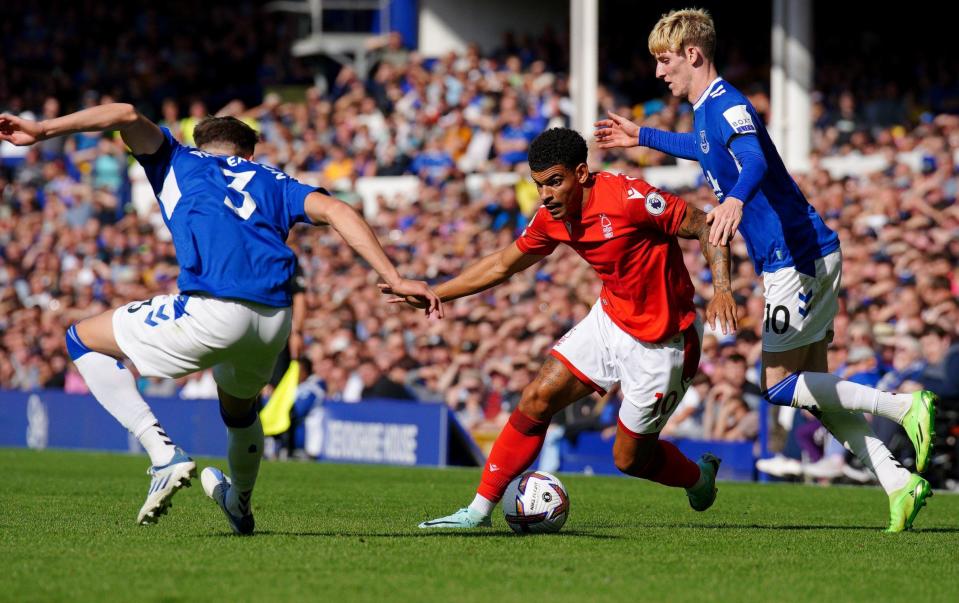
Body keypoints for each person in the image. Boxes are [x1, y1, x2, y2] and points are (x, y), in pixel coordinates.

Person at [0, 104, 441, 534]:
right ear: (249, 153)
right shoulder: (275, 180)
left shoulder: (178, 159)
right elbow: (341, 211)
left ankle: (162, 454)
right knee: (239, 411)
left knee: (80, 338)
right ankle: (239, 504)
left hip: (213, 307)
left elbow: (125, 114)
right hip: (273, 320)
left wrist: (41, 131)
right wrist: (395, 277)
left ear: (200, 142)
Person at [593, 8, 936, 531]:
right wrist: (644, 135)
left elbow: (751, 159)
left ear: (692, 54)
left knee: (777, 385)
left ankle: (903, 406)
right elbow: (702, 150)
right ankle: (897, 481)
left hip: (794, 258)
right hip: (805, 254)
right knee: (816, 390)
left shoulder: (729, 104)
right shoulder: (704, 111)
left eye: (664, 61)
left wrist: (732, 201)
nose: (659, 72)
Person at [384, 127, 737, 528]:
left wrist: (722, 289)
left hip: (665, 340)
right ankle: (476, 512)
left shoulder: (629, 198)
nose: (546, 194)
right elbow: (503, 264)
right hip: (610, 319)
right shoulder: (551, 218)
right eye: (539, 186)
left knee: (628, 459)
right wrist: (436, 293)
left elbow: (708, 227)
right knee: (536, 397)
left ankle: (698, 477)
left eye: (555, 182)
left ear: (582, 173)